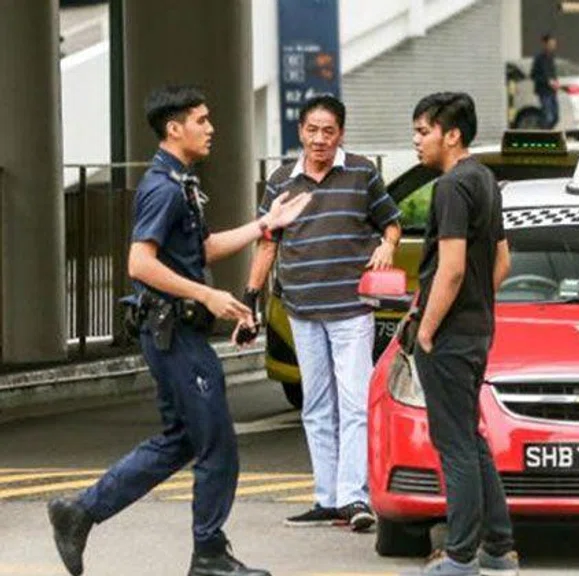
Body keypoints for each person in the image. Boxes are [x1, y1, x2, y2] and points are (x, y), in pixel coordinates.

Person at [46, 85, 310, 576]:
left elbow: (201, 249)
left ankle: (79, 511)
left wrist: (263, 225)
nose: (211, 129)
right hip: (174, 333)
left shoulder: (181, 183)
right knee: (218, 445)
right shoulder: (163, 188)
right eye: (202, 120)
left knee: (183, 440)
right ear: (175, 128)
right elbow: (139, 263)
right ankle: (207, 553)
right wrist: (205, 295)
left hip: (172, 330)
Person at [236, 94, 402, 532]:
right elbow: (268, 241)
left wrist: (387, 244)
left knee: (354, 403)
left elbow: (391, 221)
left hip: (351, 311)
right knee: (316, 405)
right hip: (302, 311)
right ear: (301, 132)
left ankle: (354, 497)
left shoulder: (362, 173)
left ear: (341, 134)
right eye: (312, 130)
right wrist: (251, 297)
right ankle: (326, 497)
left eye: (328, 131)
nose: (319, 140)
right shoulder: (280, 182)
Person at [407, 92, 518, 576]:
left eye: (423, 131)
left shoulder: (452, 187)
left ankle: (460, 557)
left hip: (449, 337)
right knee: (470, 441)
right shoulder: (485, 180)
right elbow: (503, 261)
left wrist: (428, 329)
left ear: (452, 134)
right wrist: (475, 304)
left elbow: (450, 269)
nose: (416, 141)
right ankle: (498, 550)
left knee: (454, 444)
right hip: (477, 331)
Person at [530, 33, 560, 129]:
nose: (553, 47)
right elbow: (533, 75)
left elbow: (553, 73)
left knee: (555, 117)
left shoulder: (551, 57)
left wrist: (555, 81)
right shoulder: (539, 58)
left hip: (552, 91)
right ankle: (544, 133)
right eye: (551, 44)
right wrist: (547, 81)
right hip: (543, 91)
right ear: (545, 44)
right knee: (548, 116)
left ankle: (546, 131)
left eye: (554, 44)